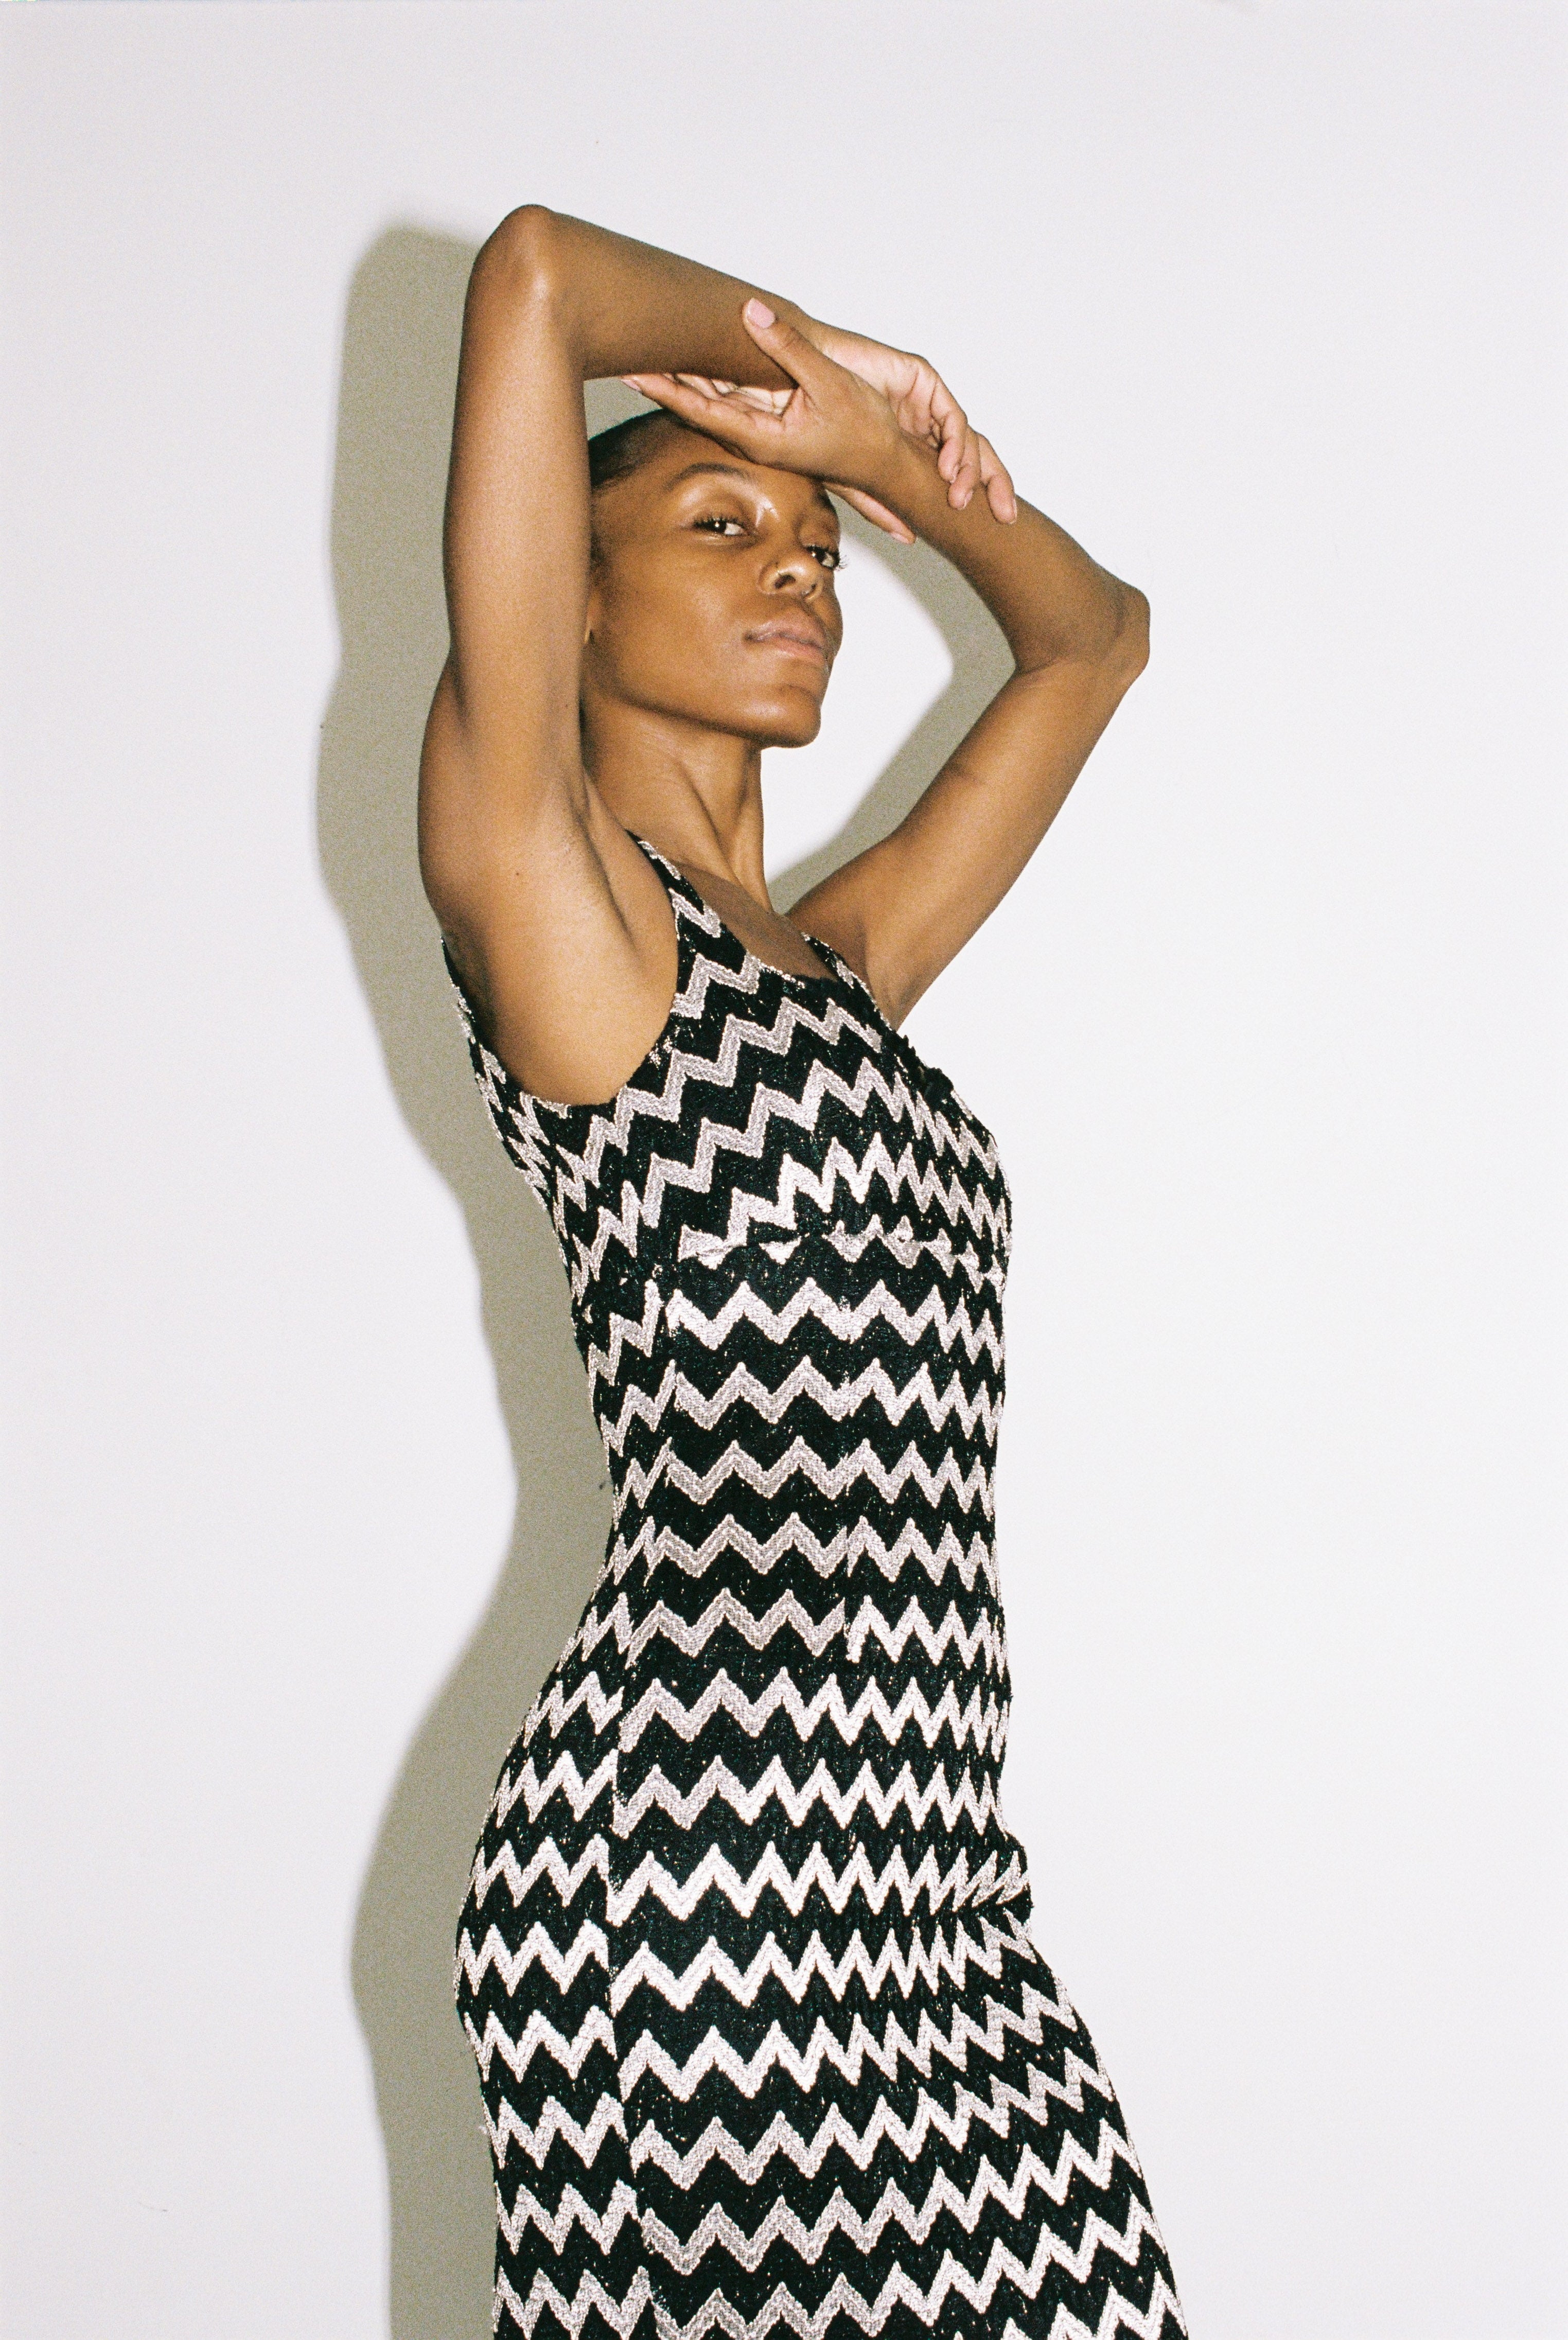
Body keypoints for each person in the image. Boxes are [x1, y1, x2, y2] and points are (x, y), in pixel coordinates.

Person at [420, 204, 1183, 2340]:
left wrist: (887, 451)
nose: (804, 574)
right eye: (724, 523)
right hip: (697, 1899)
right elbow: (536, 276)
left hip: (930, 1895)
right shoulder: (570, 921)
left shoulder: (834, 971)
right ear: (568, 596)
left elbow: (1097, 642)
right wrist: (810, 354)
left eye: (825, 549)